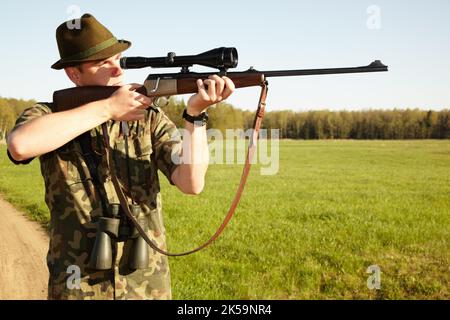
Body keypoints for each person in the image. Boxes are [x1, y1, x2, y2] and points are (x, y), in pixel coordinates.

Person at [6, 13, 235, 300]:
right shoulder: (49, 115)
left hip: (146, 287)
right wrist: (107, 109)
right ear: (74, 74)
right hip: (78, 288)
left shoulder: (148, 117)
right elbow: (20, 145)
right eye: (103, 62)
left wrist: (196, 115)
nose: (118, 69)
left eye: (118, 58)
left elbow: (191, 183)